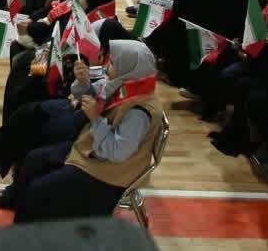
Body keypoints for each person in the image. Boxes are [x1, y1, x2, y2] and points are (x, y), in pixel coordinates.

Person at [9, 40, 162, 222]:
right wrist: (83, 83)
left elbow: (117, 152)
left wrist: (95, 119)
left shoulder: (139, 112)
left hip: (108, 174)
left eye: (113, 63)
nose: (107, 65)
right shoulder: (129, 84)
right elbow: (92, 94)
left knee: (37, 191)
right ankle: (21, 209)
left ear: (128, 68)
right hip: (93, 151)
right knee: (33, 159)